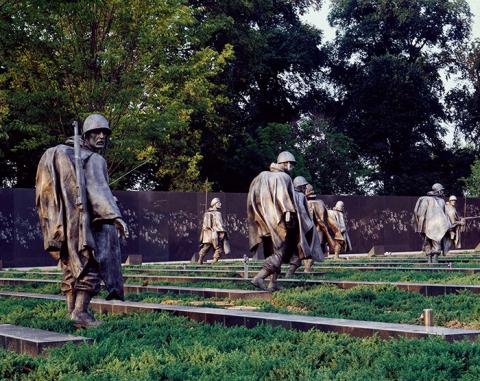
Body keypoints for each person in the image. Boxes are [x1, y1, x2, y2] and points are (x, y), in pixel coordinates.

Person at [36, 114, 128, 326]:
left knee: (71, 265)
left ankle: (71, 311)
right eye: (96, 132)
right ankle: (81, 312)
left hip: (65, 223)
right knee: (91, 263)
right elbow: (98, 192)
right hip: (87, 224)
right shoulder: (95, 159)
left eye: (104, 132)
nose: (101, 136)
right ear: (86, 134)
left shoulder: (59, 153)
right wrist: (115, 216)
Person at [247, 151, 317, 291]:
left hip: (263, 220)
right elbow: (284, 199)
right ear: (284, 164)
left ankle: (273, 283)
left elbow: (252, 199)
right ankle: (259, 277)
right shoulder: (284, 177)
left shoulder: (261, 176)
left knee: (274, 252)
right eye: (290, 164)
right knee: (281, 251)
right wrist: (288, 216)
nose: (291, 166)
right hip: (280, 221)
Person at [284, 177, 323, 276]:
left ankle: (288, 274)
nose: (306, 187)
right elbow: (302, 212)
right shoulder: (301, 195)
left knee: (295, 252)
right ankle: (289, 274)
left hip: (289, 226)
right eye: (304, 186)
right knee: (302, 250)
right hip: (300, 227)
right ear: (301, 186)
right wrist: (309, 226)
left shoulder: (289, 193)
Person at [412, 183, 452, 263]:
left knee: (431, 241)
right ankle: (432, 260)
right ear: (438, 190)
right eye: (442, 190)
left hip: (432, 226)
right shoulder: (430, 200)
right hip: (432, 226)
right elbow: (421, 213)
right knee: (432, 241)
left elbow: (444, 214)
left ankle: (432, 260)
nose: (443, 192)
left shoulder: (436, 200)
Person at [304, 183, 338, 261]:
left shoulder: (311, 203)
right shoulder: (319, 203)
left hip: (314, 229)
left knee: (315, 245)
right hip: (317, 229)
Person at [198, 197, 229, 264]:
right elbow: (220, 224)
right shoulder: (218, 214)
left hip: (207, 235)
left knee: (206, 247)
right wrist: (224, 233)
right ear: (215, 204)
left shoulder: (206, 213)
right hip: (215, 234)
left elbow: (204, 226)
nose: (220, 204)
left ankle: (200, 259)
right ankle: (215, 260)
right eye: (219, 202)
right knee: (218, 248)